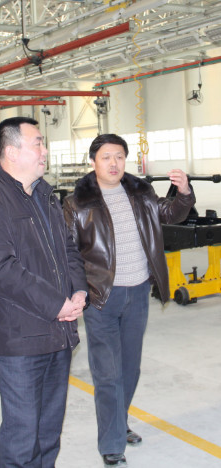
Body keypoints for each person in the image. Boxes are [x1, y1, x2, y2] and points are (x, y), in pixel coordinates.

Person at [62, 134, 195, 467]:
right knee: (108, 373)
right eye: (106, 157)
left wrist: (184, 192)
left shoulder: (140, 193)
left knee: (130, 369)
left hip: (137, 294)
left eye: (119, 156)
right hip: (101, 298)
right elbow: (68, 254)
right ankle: (112, 443)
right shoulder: (77, 203)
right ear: (93, 161)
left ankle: (118, 423)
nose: (114, 163)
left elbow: (171, 214)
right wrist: (76, 291)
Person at [0, 117, 88, 468]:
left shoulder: (46, 198)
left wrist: (78, 290)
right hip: (20, 340)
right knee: (22, 436)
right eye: (38, 143)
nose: (44, 150)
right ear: (11, 152)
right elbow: (2, 271)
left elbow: (68, 249)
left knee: (48, 432)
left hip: (58, 332)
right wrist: (57, 304)